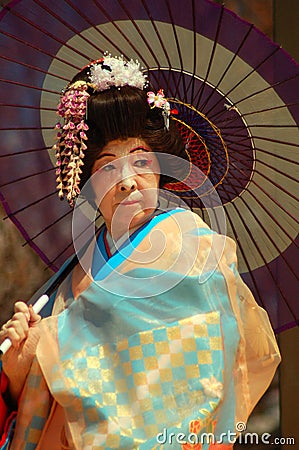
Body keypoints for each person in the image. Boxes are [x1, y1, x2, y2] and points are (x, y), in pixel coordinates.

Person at [0, 54, 280, 449]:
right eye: (108, 166)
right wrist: (19, 368)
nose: (128, 182)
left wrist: (46, 341)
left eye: (141, 161)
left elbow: (176, 355)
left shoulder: (188, 241)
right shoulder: (78, 265)